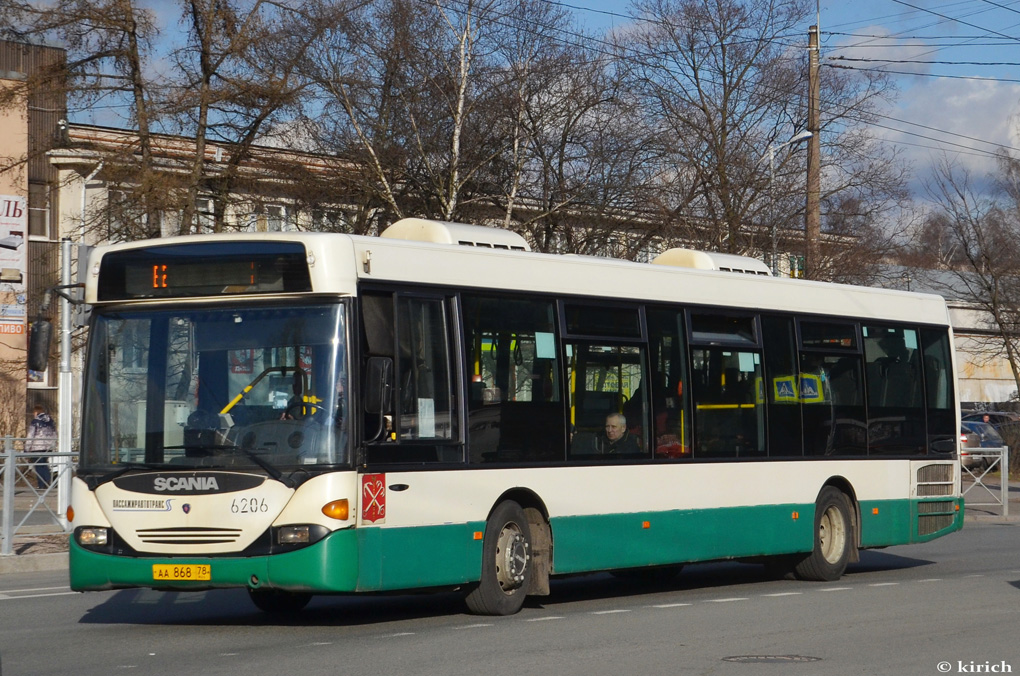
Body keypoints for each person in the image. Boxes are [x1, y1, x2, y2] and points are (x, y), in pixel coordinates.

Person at [26, 405, 56, 489]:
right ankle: (48, 483)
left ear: (36, 412)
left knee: (39, 466)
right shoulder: (50, 421)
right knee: (45, 464)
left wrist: (27, 448)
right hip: (48, 447)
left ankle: (41, 485)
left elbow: (31, 435)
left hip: (37, 447)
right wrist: (53, 445)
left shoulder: (35, 421)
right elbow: (54, 433)